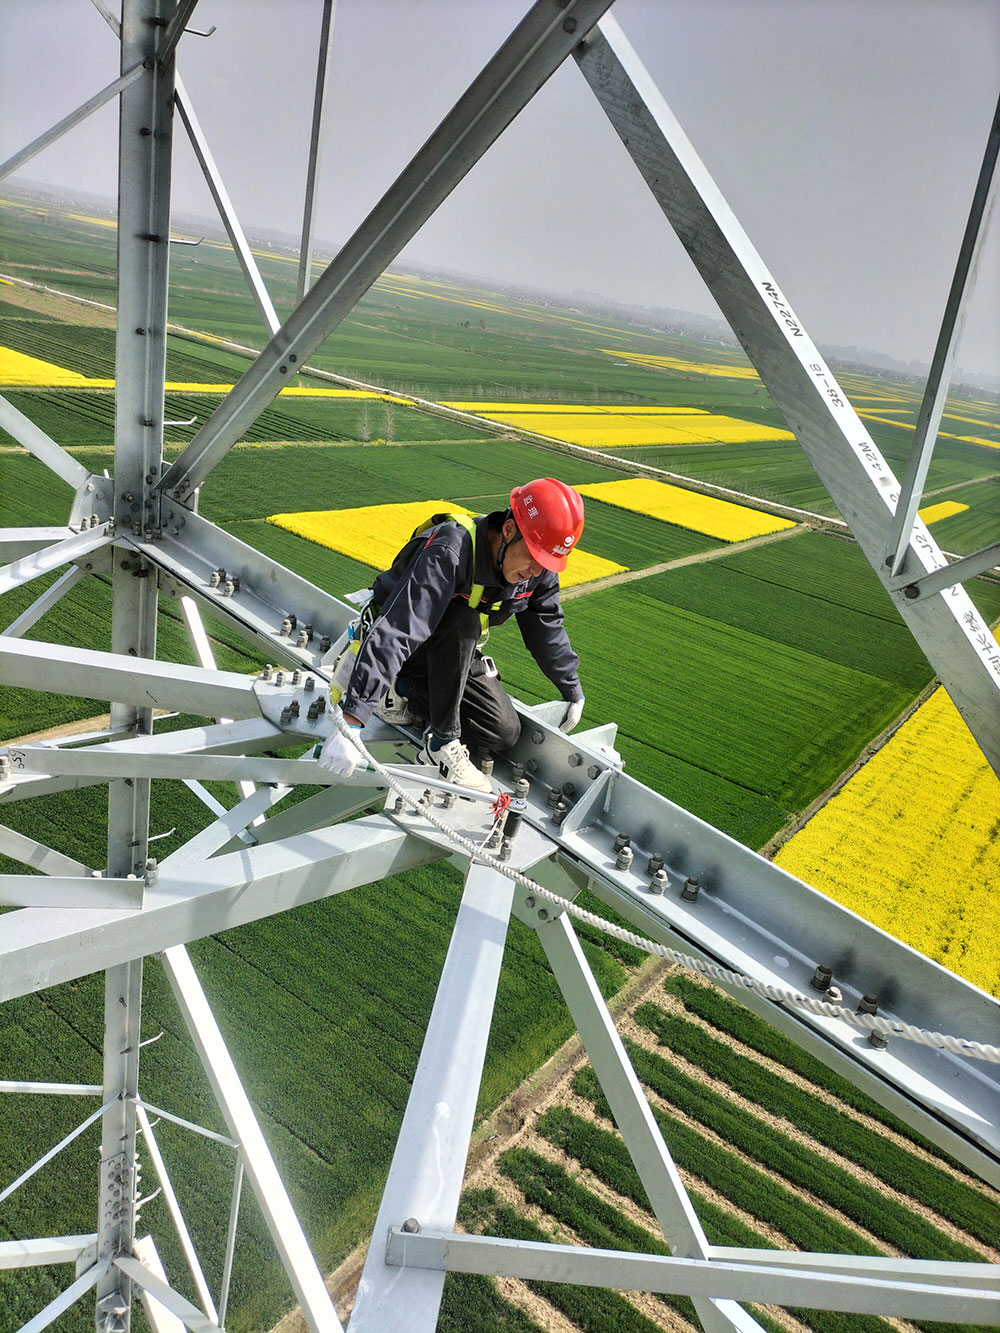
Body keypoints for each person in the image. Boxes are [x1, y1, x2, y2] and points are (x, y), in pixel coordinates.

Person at [317, 478, 586, 791]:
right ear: (510, 530)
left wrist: (571, 688)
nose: (536, 571)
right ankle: (439, 742)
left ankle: (404, 693)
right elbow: (401, 628)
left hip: (448, 656)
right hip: (401, 646)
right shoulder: (452, 549)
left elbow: (545, 625)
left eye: (546, 562)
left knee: (502, 731)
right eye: (533, 556)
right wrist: (353, 721)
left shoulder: (537, 569)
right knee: (463, 619)